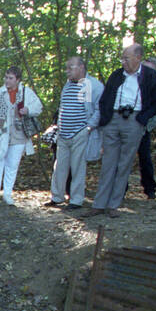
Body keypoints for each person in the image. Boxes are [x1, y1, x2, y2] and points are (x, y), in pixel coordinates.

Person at [75, 43, 156, 219]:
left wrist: (142, 119)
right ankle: (99, 204)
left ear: (138, 57)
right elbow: (105, 98)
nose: (123, 61)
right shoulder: (116, 75)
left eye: (126, 58)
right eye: (122, 58)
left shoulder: (150, 76)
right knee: (108, 162)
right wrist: (106, 119)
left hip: (134, 120)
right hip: (113, 119)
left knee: (124, 163)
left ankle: (114, 204)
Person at [45, 57, 103, 210]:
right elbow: (64, 107)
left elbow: (99, 109)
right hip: (63, 133)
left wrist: (89, 128)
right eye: (67, 68)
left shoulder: (92, 85)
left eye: (71, 68)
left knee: (78, 167)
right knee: (59, 166)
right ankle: (57, 197)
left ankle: (76, 200)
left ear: (81, 67)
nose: (67, 71)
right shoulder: (68, 85)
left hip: (80, 132)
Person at [0, 66, 42, 206]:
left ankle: (8, 193)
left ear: (18, 80)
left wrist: (28, 110)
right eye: (6, 77)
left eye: (10, 78)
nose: (7, 80)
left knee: (12, 165)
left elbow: (38, 107)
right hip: (0, 134)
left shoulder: (26, 93)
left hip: (19, 133)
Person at [136, 58, 156, 199]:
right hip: (128, 128)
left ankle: (150, 189)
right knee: (122, 159)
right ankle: (120, 190)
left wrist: (147, 125)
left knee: (145, 159)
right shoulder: (132, 84)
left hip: (144, 129)